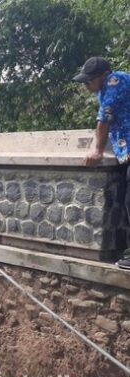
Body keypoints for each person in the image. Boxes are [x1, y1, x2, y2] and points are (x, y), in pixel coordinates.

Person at [75, 56, 130, 268]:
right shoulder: (117, 81)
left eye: (89, 81)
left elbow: (104, 120)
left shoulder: (114, 82)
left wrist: (96, 150)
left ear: (103, 75)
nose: (86, 85)